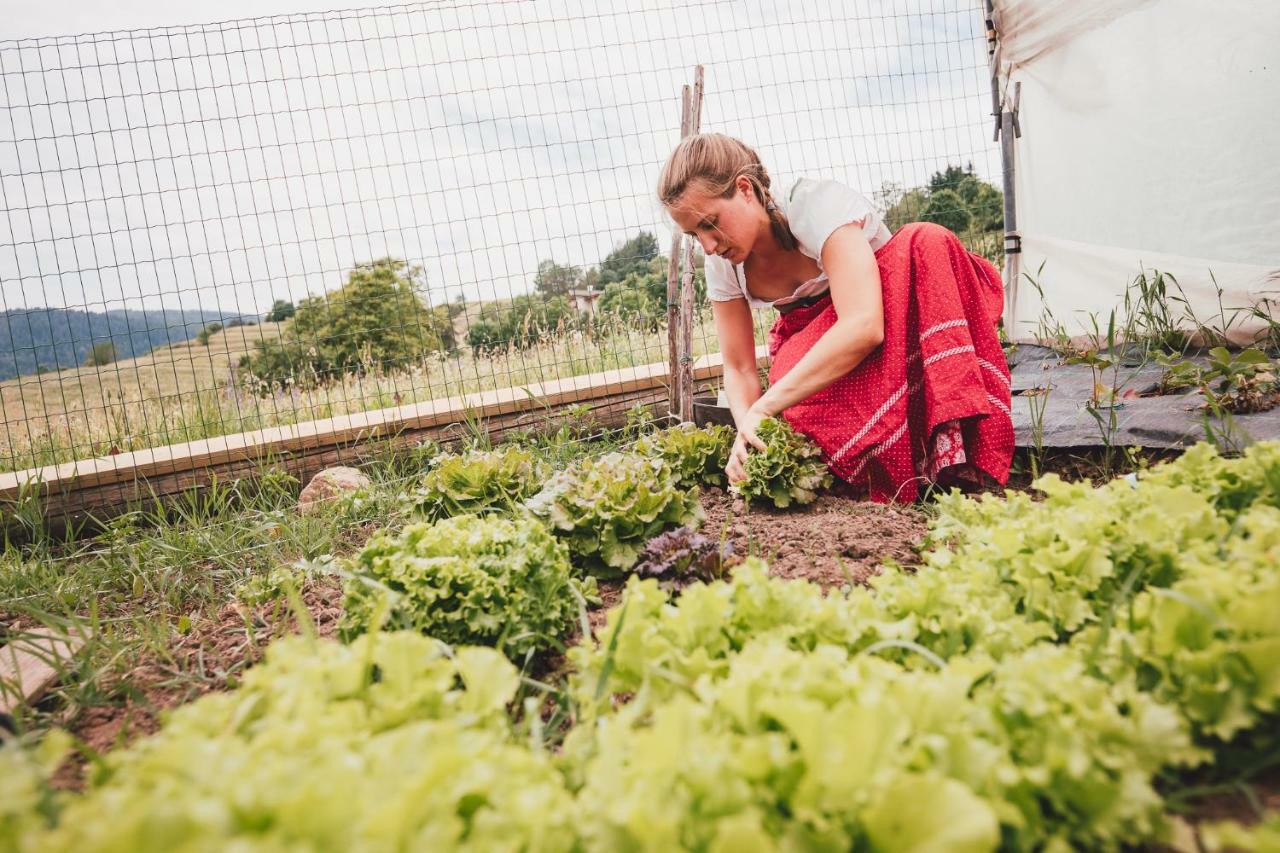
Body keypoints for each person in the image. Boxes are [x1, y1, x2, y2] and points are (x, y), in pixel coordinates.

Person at [657, 133, 1014, 502]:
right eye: (693, 234)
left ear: (745, 189)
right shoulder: (721, 263)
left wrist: (766, 406)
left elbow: (864, 325)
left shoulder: (816, 206)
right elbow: (739, 367)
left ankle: (949, 446)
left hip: (893, 328)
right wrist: (746, 435)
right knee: (789, 386)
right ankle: (887, 458)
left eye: (710, 223)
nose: (709, 245)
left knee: (926, 240)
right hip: (821, 349)